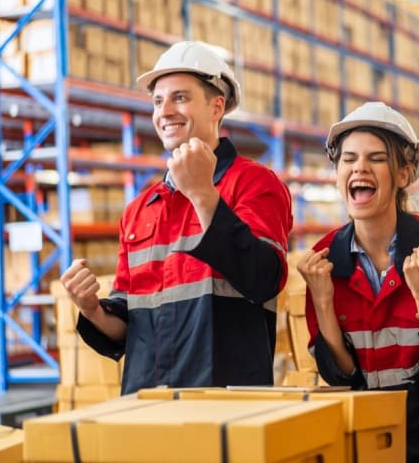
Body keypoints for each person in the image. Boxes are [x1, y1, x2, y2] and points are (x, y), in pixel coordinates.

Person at [60, 41, 293, 394]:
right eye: (157, 101)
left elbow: (263, 279)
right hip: (146, 407)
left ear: (217, 107)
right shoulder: (140, 209)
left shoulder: (254, 184)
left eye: (180, 98)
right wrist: (92, 308)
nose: (165, 111)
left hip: (224, 407)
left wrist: (203, 194)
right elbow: (127, 325)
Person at [298, 101, 419, 462]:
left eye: (375, 158)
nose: (359, 167)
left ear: (403, 174)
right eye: (349, 158)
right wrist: (323, 301)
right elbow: (339, 379)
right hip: (373, 441)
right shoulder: (324, 262)